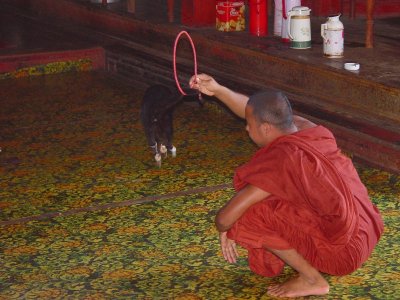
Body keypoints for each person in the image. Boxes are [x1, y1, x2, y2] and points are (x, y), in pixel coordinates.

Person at [189, 74, 384, 298]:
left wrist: (225, 228)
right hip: (366, 231)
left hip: (343, 254)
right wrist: (219, 90)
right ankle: (311, 261)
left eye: (248, 125)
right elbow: (255, 110)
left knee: (249, 212)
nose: (246, 129)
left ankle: (312, 279)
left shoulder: (283, 160)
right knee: (274, 197)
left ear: (265, 129)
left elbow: (224, 218)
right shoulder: (305, 128)